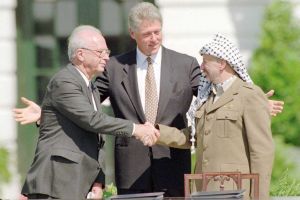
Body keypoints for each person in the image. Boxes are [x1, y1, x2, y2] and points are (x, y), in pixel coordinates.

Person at [14, 2, 283, 197]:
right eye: (147, 34)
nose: (154, 38)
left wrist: (255, 103)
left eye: (157, 31)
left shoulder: (186, 64)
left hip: (174, 166)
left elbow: (213, 95)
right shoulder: (115, 66)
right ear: (133, 35)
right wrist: (48, 113)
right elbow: (88, 105)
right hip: (132, 169)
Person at [19, 25, 159, 199]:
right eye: (101, 52)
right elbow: (93, 120)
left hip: (75, 183)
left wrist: (98, 181)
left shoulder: (90, 85)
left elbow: (95, 137)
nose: (107, 57)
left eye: (107, 52)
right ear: (80, 55)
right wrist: (136, 129)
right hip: (56, 182)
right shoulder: (64, 81)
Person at [155, 34, 275, 199]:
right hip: (203, 190)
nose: (201, 67)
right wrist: (157, 132)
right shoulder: (207, 96)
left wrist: (259, 197)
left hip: (234, 192)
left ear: (222, 63)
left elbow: (261, 152)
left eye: (205, 62)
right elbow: (194, 137)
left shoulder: (249, 95)